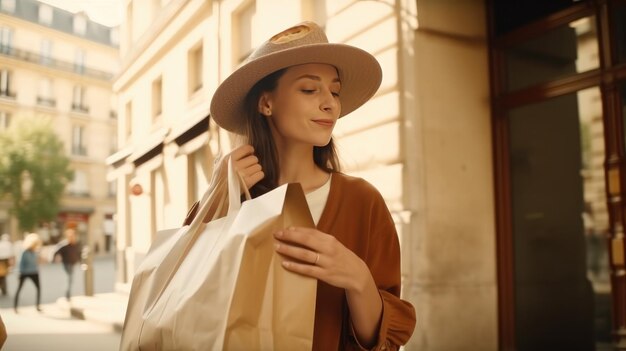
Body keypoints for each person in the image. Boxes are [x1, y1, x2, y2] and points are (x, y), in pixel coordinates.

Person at [190, 21, 416, 350]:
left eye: (335, 91)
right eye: (310, 90)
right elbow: (188, 294)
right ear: (266, 103)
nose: (330, 104)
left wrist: (357, 278)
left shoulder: (362, 201)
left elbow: (380, 342)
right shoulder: (233, 197)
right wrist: (217, 197)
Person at [14, 233, 42, 313]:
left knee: (38, 288)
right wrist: (19, 274)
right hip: (24, 272)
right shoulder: (25, 252)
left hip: (34, 272)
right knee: (19, 289)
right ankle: (15, 307)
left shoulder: (35, 252)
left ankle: (37, 306)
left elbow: (37, 262)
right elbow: (21, 264)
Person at [51, 228, 82, 300]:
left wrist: (80, 262)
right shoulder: (64, 245)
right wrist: (53, 260)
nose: (72, 238)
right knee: (70, 278)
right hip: (67, 263)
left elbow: (78, 253)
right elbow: (56, 251)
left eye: (73, 236)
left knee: (70, 278)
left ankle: (68, 293)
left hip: (73, 263)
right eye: (71, 236)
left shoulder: (75, 244)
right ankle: (68, 294)